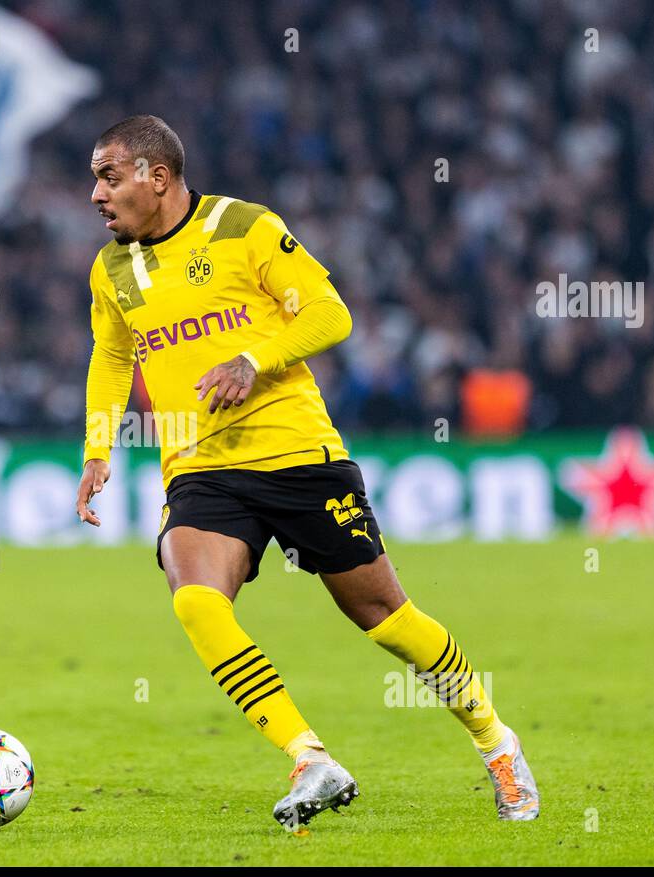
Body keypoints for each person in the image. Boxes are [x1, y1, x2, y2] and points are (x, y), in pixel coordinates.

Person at [74, 116, 539, 827]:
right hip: (202, 469)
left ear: (155, 177)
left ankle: (494, 741)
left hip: (298, 456)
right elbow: (112, 358)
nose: (96, 194)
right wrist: (98, 449)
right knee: (195, 595)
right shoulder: (111, 270)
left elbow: (331, 313)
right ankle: (310, 757)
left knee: (384, 618)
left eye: (109, 176)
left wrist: (252, 361)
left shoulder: (244, 227)